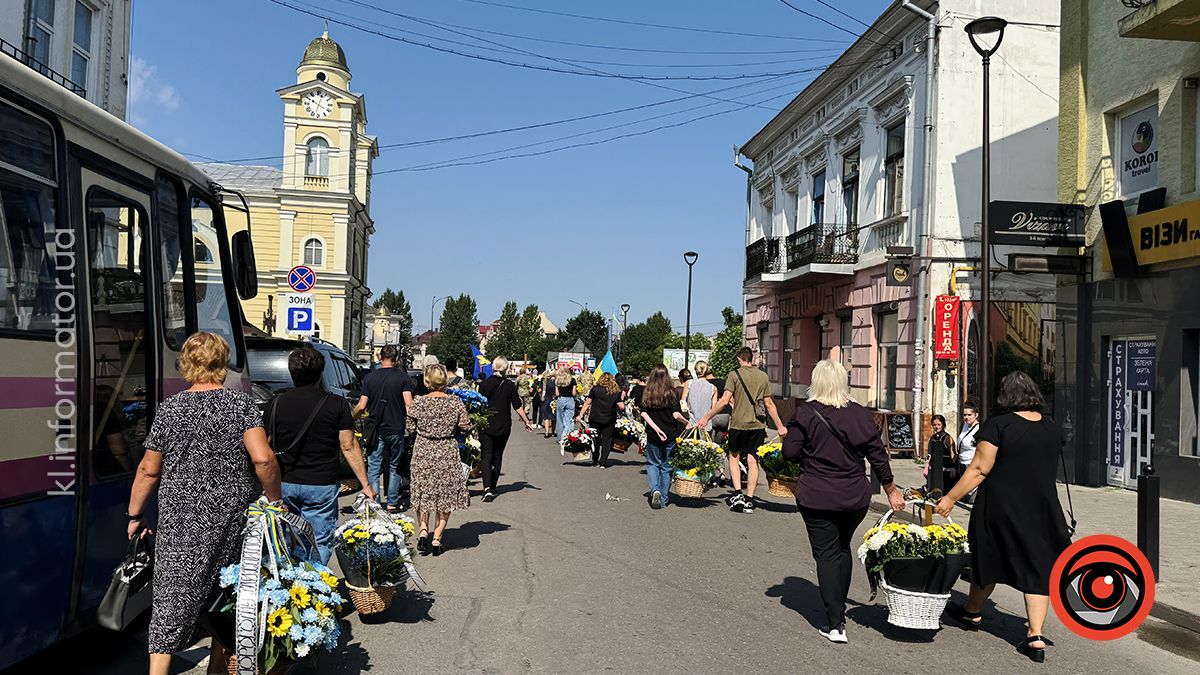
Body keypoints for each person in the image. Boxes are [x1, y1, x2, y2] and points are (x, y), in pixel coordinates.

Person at [125, 332, 281, 675]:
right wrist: (276, 500)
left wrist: (135, 514)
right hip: (231, 519)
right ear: (222, 364)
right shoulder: (240, 405)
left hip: (179, 522)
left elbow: (149, 471)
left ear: (187, 364)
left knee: (169, 602)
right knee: (225, 599)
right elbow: (264, 460)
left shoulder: (171, 408)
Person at [936, 372, 1072, 664]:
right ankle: (1035, 636)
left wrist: (949, 498)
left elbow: (979, 469)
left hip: (1000, 507)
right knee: (1038, 567)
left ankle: (972, 612)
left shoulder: (998, 425)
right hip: (1043, 509)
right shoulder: (1050, 427)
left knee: (989, 558)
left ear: (1004, 395)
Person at [781, 360, 906, 644]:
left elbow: (789, 453)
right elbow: (877, 455)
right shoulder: (860, 415)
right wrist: (891, 490)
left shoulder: (806, 414)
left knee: (825, 554)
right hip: (854, 496)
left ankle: (835, 622)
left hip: (816, 495)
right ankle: (839, 612)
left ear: (816, 382)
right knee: (842, 547)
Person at [267, 347, 375, 564]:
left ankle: (290, 589)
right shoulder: (335, 403)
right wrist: (365, 484)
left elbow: (267, 446)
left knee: (287, 540)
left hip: (285, 482)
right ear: (320, 372)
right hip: (321, 483)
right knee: (319, 541)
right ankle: (314, 589)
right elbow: (348, 446)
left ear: (292, 373)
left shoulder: (275, 403)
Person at [695, 347, 788, 514]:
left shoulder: (734, 375)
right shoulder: (763, 376)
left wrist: (706, 417)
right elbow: (769, 404)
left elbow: (724, 401)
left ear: (739, 359)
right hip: (758, 425)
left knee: (734, 457)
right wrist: (780, 426)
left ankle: (738, 493)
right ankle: (750, 499)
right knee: (753, 461)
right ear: (751, 359)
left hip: (738, 424)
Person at [408, 364, 473, 556]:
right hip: (447, 451)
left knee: (423, 492)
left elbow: (410, 427)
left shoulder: (418, 402)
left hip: (424, 451)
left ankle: (422, 531)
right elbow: (465, 427)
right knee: (445, 495)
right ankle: (436, 538)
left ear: (427, 381)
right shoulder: (455, 402)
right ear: (444, 381)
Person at [354, 345, 414, 512]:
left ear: (380, 358)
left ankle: (375, 504)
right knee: (394, 465)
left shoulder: (370, 378)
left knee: (374, 466)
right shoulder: (403, 379)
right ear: (396, 360)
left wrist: (351, 417)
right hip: (396, 427)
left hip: (375, 428)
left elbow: (362, 405)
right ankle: (392, 502)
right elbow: (409, 405)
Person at [478, 356, 535, 501]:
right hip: (503, 425)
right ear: (506, 369)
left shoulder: (484, 384)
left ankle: (486, 489)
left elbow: (479, 404)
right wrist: (526, 421)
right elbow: (517, 405)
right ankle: (493, 487)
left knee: (486, 455)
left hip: (486, 424)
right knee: (497, 456)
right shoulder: (509, 385)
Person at [637, 365, 688, 510]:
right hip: (670, 433)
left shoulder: (648, 392)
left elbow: (643, 413)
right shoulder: (671, 392)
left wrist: (656, 428)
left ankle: (655, 489)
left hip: (653, 434)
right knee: (667, 466)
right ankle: (664, 498)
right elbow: (676, 414)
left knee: (653, 463)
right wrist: (686, 422)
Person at [578, 372, 625, 467]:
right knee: (607, 440)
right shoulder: (615, 391)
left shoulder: (595, 389)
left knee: (595, 439)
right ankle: (603, 462)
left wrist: (580, 415)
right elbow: (622, 407)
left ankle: (595, 459)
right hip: (609, 419)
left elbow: (587, 403)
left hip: (595, 418)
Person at [924, 414, 958, 495]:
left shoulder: (947, 438)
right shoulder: (933, 437)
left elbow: (953, 454)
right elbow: (930, 454)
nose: (936, 427)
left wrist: (954, 467)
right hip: (935, 470)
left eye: (939, 424)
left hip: (946, 470)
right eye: (934, 425)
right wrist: (927, 465)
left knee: (945, 492)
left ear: (943, 425)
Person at [956, 402, 980, 504]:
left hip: (971, 463)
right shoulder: (964, 425)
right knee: (963, 496)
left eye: (969, 415)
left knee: (971, 499)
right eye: (965, 415)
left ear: (976, 415)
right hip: (961, 463)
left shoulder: (979, 428)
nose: (967, 417)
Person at [683, 361, 718, 431]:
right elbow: (714, 409)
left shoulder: (689, 383)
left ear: (696, 371)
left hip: (691, 424)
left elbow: (683, 404)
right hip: (706, 426)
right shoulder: (713, 388)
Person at [554, 366, 577, 444]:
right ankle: (568, 436)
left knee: (560, 419)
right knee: (569, 419)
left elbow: (557, 394)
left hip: (561, 399)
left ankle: (560, 438)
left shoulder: (557, 380)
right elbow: (574, 393)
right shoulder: (572, 380)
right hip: (570, 399)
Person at [540, 371, 556, 438]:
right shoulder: (557, 382)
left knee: (546, 417)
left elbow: (541, 390)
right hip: (554, 400)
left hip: (546, 399)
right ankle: (552, 432)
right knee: (554, 417)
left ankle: (546, 432)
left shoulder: (545, 382)